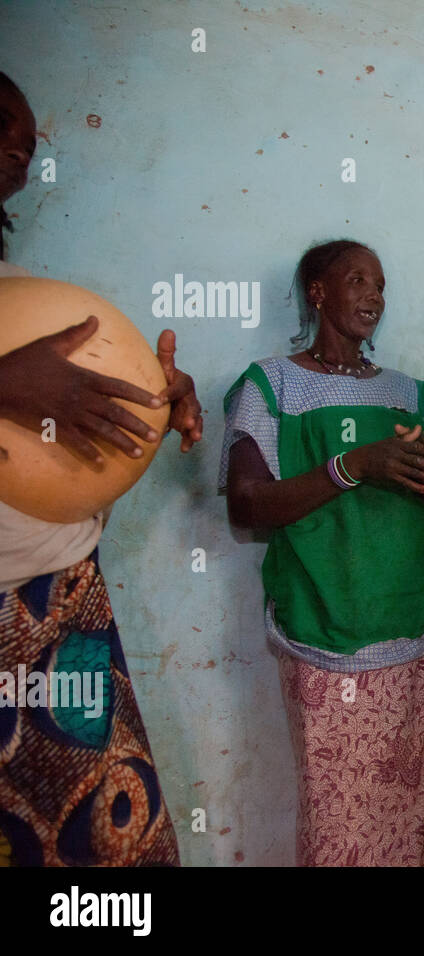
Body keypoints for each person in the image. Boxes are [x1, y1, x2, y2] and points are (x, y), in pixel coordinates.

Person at [220, 239, 424, 866]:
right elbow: (246, 504)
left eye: (379, 285)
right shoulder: (272, 386)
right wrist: (353, 466)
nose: (373, 296)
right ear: (317, 293)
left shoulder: (410, 395)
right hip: (328, 625)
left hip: (421, 619)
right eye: (357, 281)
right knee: (345, 816)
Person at [0, 70, 203, 866]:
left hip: (58, 603)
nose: (20, 144)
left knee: (103, 859)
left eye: (29, 137)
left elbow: (60, 453)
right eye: (2, 123)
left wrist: (155, 406)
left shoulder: (20, 294)